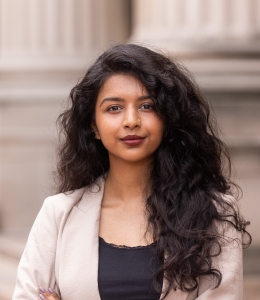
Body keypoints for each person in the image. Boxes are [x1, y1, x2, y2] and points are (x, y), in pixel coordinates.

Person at [12, 44, 250, 300]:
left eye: (147, 106)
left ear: (168, 118)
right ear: (94, 126)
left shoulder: (215, 214)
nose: (131, 121)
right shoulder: (58, 214)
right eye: (114, 108)